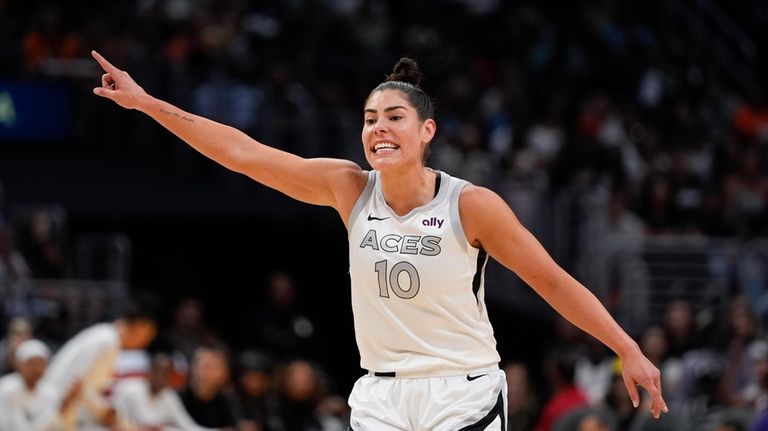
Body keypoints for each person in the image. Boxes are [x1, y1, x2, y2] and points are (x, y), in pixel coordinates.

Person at [91, 50, 668, 429]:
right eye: (370, 118)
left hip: (459, 390)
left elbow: (551, 281)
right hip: (380, 395)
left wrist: (627, 347)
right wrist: (146, 104)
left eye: (394, 117)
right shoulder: (348, 188)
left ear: (426, 132)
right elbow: (243, 154)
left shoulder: (470, 205)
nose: (378, 129)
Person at [37, 294, 158, 430]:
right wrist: (107, 413)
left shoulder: (105, 336)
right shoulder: (107, 340)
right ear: (141, 327)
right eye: (148, 335)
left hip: (61, 412)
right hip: (53, 413)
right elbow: (77, 385)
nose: (146, 342)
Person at [111, 351, 214, 430]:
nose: (160, 378)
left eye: (165, 375)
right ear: (149, 371)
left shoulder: (169, 396)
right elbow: (113, 422)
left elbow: (187, 426)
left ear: (171, 378)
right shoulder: (129, 388)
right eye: (157, 372)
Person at [0, 338, 81, 431]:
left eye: (41, 364)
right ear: (19, 364)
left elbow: (54, 424)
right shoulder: (7, 388)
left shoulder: (50, 393)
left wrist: (65, 404)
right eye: (32, 364)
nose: (37, 370)